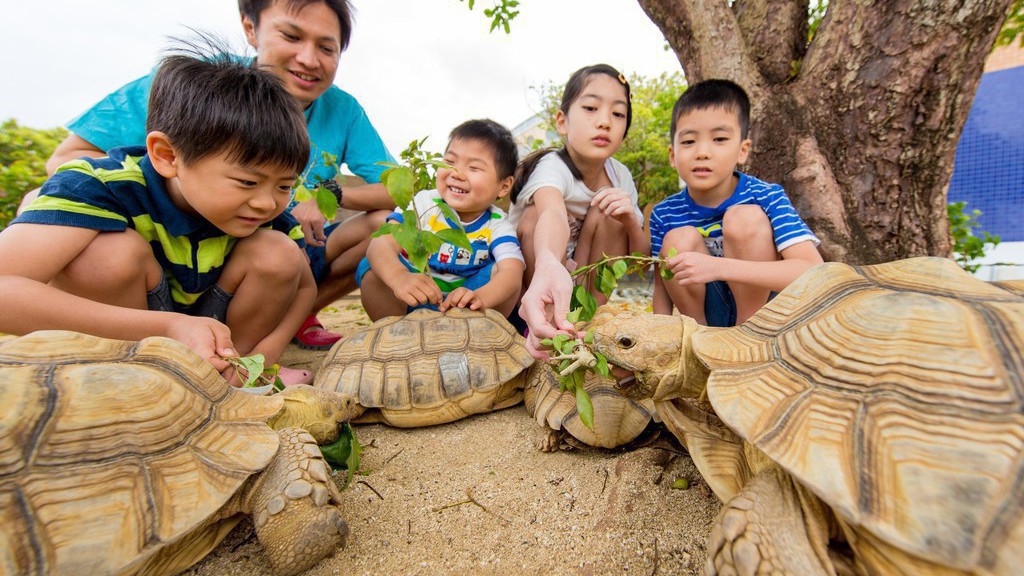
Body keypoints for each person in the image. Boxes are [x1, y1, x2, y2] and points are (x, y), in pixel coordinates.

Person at [28, 0, 395, 350]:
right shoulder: (194, 84)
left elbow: (394, 188)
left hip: (263, 249)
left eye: (327, 48)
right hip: (156, 251)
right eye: (292, 36)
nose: (309, 59)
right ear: (251, 28)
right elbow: (67, 161)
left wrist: (323, 195)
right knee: (60, 218)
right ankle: (135, 344)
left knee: (293, 249)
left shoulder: (341, 112)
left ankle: (244, 347)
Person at [0, 40, 316, 385]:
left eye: (284, 186)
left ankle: (228, 372)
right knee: (107, 254)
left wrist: (262, 359)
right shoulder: (99, 185)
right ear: (167, 156)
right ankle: (134, 372)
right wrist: (168, 327)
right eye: (247, 182)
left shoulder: (265, 209)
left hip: (217, 331)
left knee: (280, 253)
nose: (266, 203)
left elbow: (304, 289)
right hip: (130, 327)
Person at [650, 79, 823, 327]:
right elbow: (662, 286)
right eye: (689, 141)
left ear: (743, 150)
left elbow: (813, 270)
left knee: (744, 218)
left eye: (719, 139)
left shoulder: (766, 196)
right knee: (678, 240)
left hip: (766, 316)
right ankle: (699, 338)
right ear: (673, 155)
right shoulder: (664, 214)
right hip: (706, 319)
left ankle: (746, 333)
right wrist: (659, 340)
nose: (702, 152)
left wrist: (719, 267)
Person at [510, 64, 649, 359]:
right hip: (537, 282)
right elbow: (551, 213)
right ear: (562, 121)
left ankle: (584, 324)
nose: (604, 122)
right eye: (590, 107)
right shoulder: (552, 167)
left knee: (612, 210)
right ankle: (543, 322)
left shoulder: (620, 176)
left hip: (584, 282)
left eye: (618, 114)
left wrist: (629, 222)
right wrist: (550, 263)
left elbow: (639, 262)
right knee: (535, 215)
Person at [359, 119, 524, 321]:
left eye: (473, 168)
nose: (457, 173)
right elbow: (380, 243)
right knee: (372, 266)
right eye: (450, 162)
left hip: (466, 309)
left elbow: (512, 271)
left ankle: (488, 335)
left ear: (504, 186)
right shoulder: (424, 203)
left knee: (504, 273)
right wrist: (399, 276)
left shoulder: (498, 224)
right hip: (413, 299)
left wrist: (480, 297)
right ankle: (392, 334)